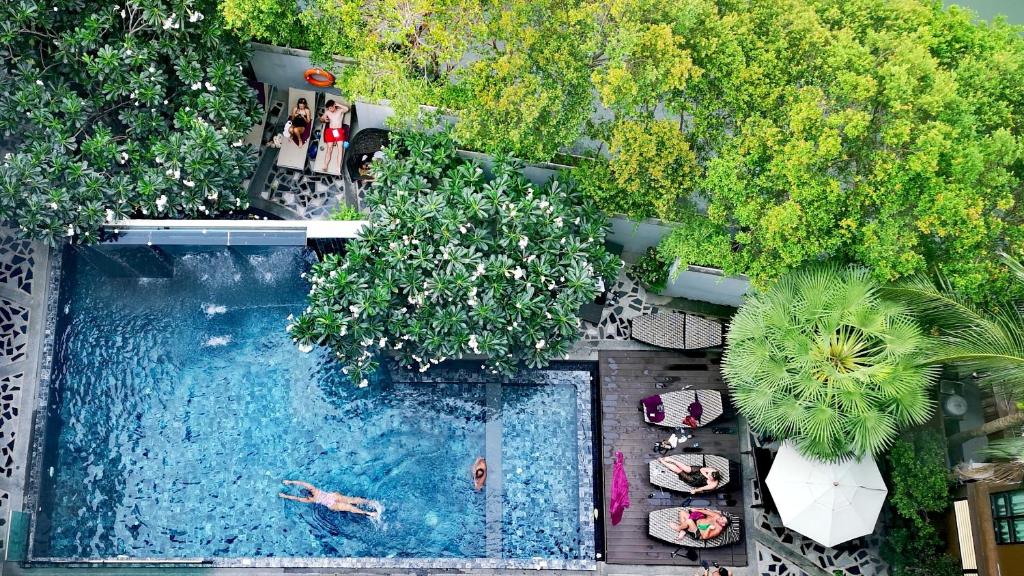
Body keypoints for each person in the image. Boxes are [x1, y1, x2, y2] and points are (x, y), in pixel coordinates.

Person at [278, 480, 381, 518]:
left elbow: (297, 499)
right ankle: (370, 502)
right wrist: (290, 482)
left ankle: (370, 514)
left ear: (307, 495)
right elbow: (303, 483)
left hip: (332, 505)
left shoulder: (310, 500)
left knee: (350, 508)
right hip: (333, 496)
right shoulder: (314, 489)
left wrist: (285, 496)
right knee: (353, 500)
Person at [320, 100, 350, 170]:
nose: (330, 110)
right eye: (328, 108)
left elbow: (347, 109)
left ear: (334, 106)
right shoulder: (327, 112)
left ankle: (338, 167)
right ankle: (325, 165)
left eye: (331, 108)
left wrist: (338, 104)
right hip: (330, 131)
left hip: (338, 130)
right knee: (329, 149)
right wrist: (324, 119)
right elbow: (321, 119)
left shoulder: (340, 110)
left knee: (340, 149)